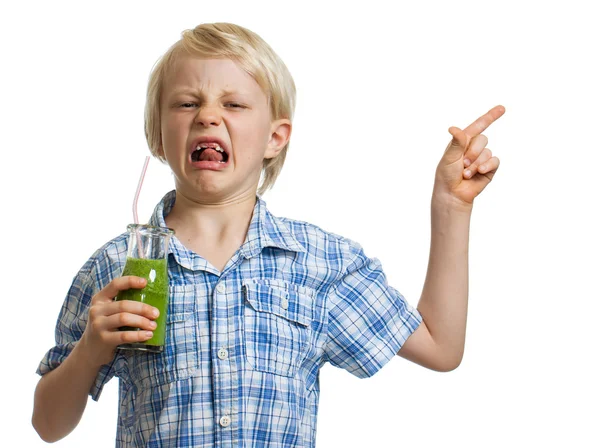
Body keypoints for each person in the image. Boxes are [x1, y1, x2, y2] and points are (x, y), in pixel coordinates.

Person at [32, 22, 505, 447]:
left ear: (276, 137)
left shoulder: (320, 261)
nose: (207, 117)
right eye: (186, 103)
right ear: (157, 134)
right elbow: (47, 424)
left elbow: (440, 347)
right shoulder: (117, 267)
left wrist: (450, 207)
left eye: (233, 104)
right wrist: (89, 351)